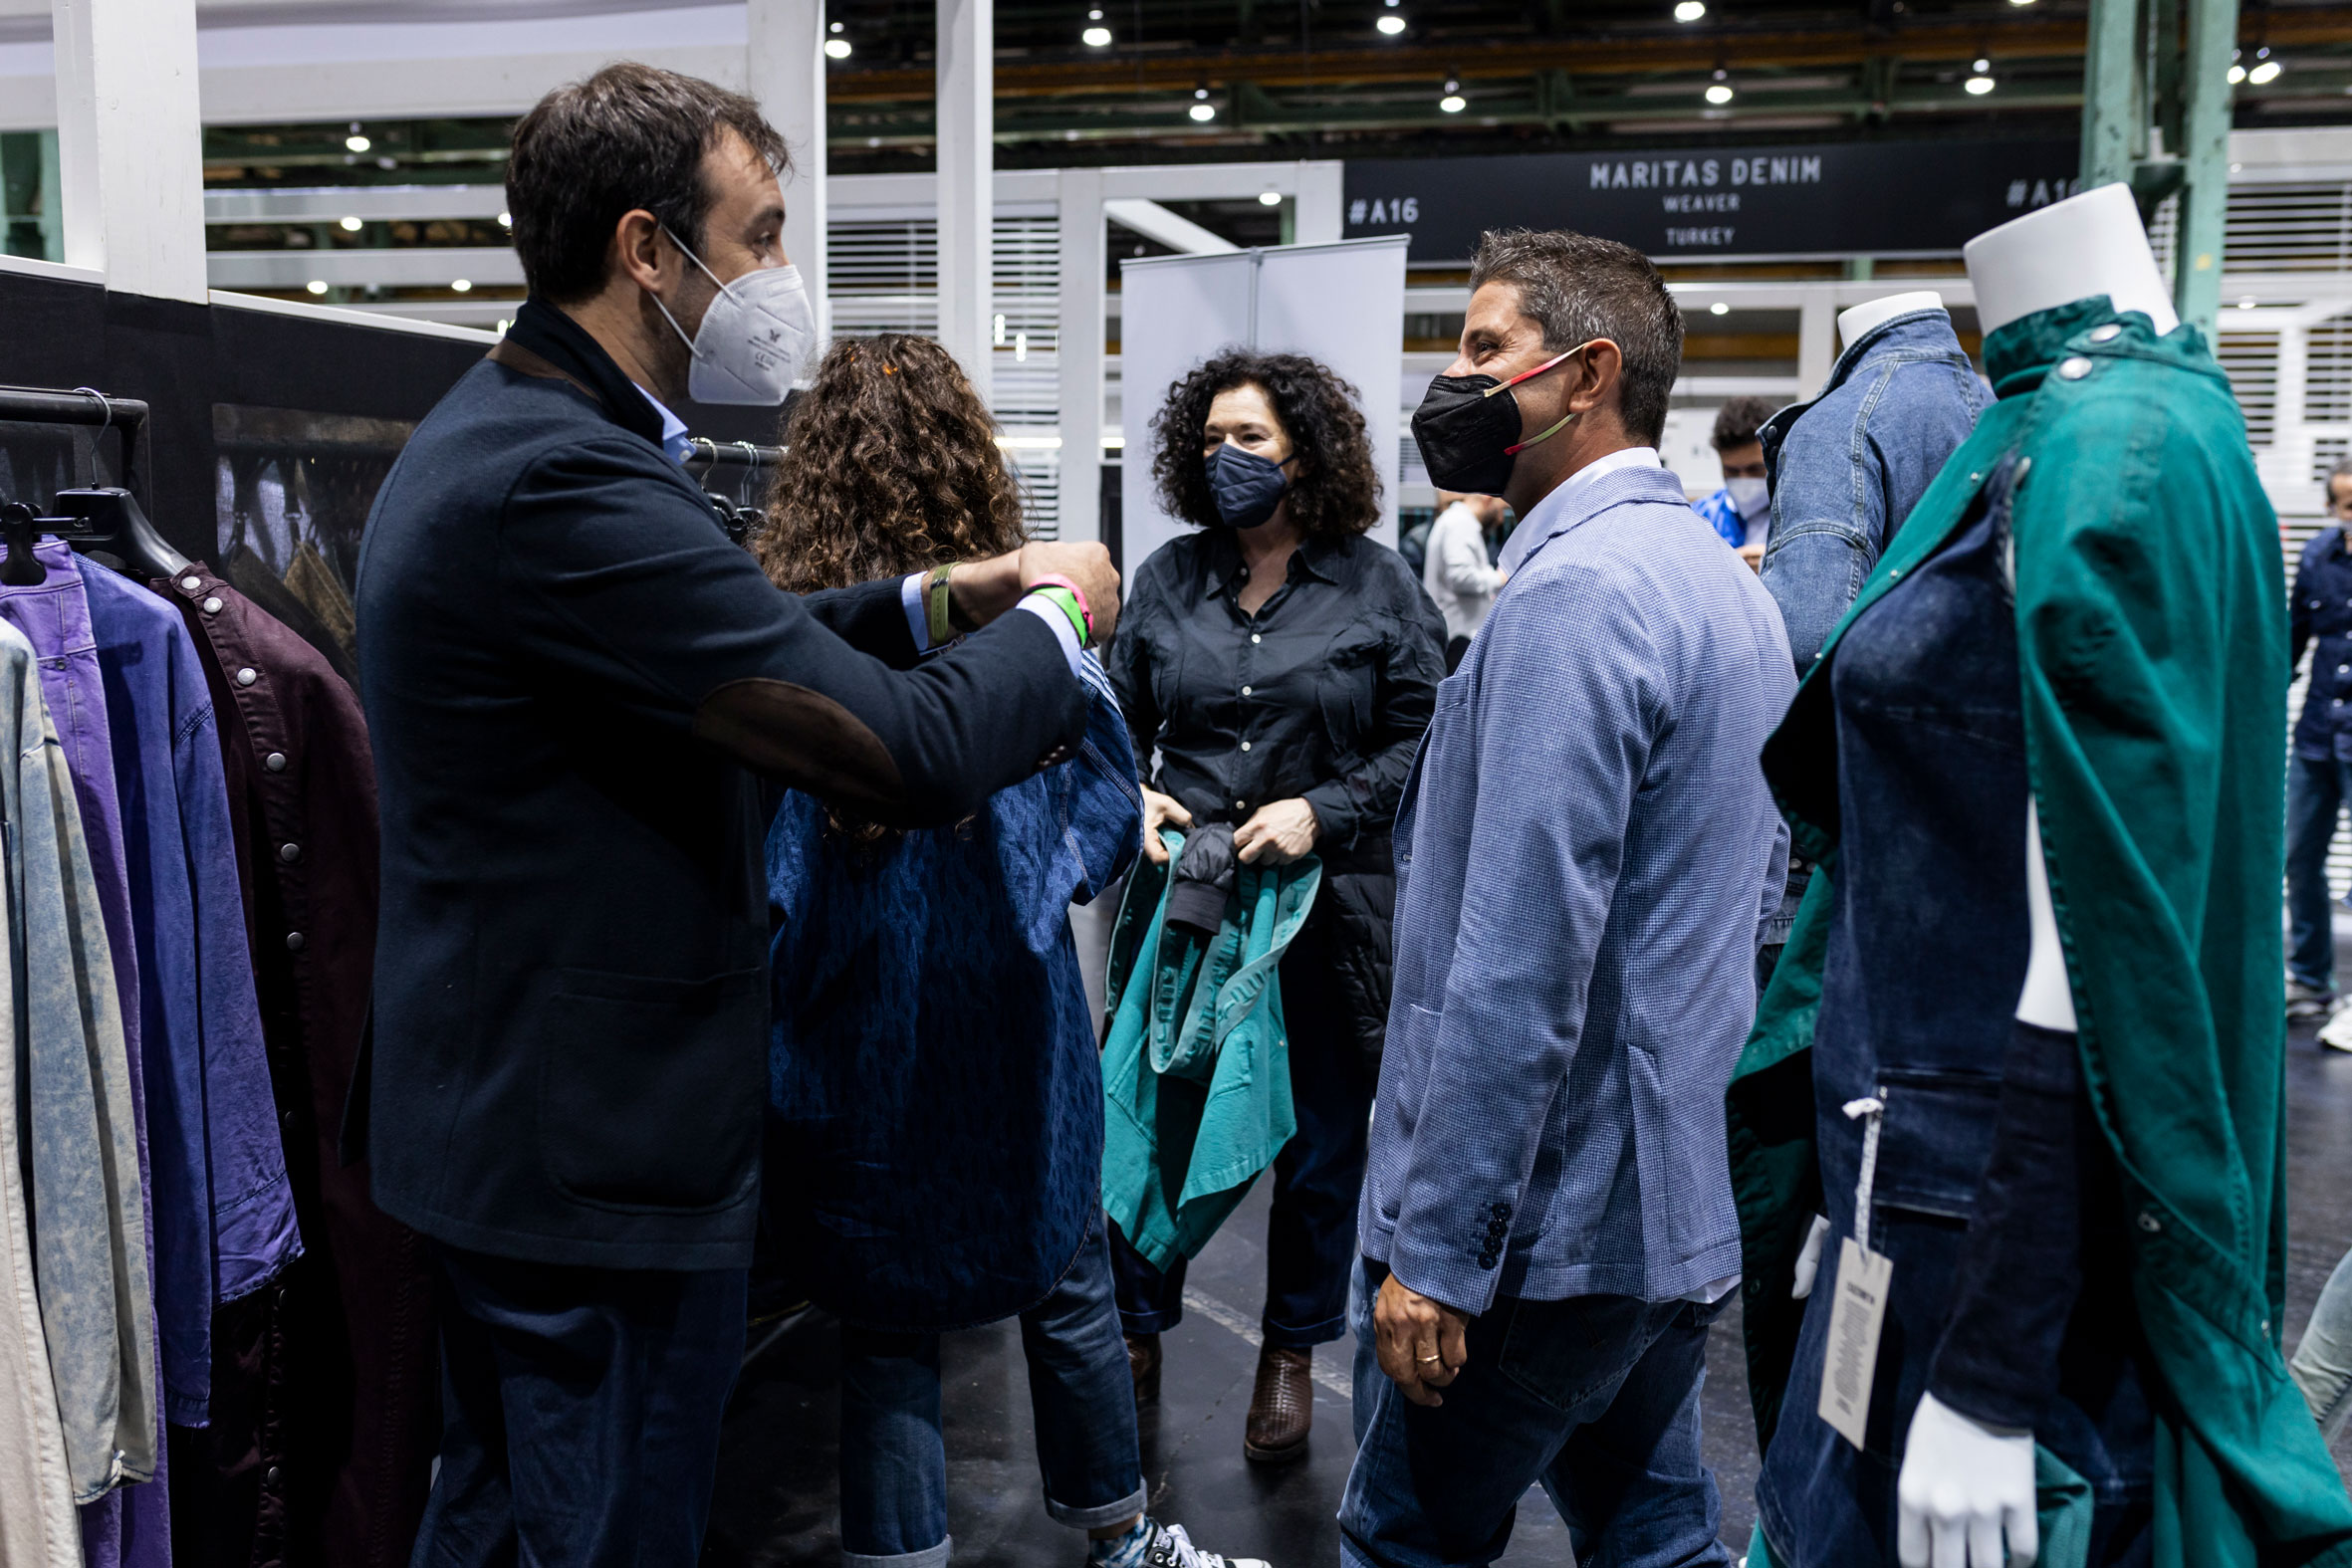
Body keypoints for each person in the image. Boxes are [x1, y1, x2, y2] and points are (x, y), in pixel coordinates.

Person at [353, 65, 1119, 1568]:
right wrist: (1059, 619)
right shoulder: (562, 483)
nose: (779, 274)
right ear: (647, 248)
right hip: (593, 1167)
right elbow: (900, 752)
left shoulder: (515, 434)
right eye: (758, 235)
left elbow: (723, 647)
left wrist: (933, 596)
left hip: (513, 1137)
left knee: (502, 1524)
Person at [753, 335, 1266, 1568]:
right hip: (1007, 1013)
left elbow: (761, 872)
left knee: (883, 1323)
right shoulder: (1025, 642)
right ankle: (1122, 1543)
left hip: (848, 1027)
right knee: (1066, 1273)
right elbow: (1094, 833)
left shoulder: (784, 640)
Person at [1342, 229, 1792, 1568]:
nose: (1453, 379)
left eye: (1485, 347)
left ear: (1586, 373)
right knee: (1654, 1530)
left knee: (1402, 1537)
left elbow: (1518, 958)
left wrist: (1439, 1246)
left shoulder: (1578, 595)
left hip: (1542, 1234)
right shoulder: (1716, 580)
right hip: (1663, 1203)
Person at [1105, 347, 1444, 1465]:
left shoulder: (1377, 584)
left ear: (1306, 452)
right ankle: (1136, 1323)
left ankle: (1290, 1349)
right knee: (1157, 1109)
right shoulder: (1168, 577)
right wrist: (1131, 789)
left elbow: (1425, 738)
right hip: (1191, 897)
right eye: (1210, 440)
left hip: (1324, 906)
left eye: (1249, 438)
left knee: (1317, 1143)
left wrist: (1321, 810)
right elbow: (1113, 717)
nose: (1226, 458)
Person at [2287, 458, 2352, 1021]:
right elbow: (2293, 641)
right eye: (2349, 505)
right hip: (2316, 738)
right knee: (2298, 855)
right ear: (2333, 508)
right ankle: (2310, 980)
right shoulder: (2316, 557)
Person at [1422, 489, 1509, 672]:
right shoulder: (1460, 523)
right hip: (1458, 636)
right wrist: (1499, 578)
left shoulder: (1455, 521)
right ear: (1488, 499)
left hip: (1456, 634)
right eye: (1500, 510)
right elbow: (1460, 576)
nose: (1500, 519)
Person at [1692, 393, 1778, 570]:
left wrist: (1777, 563)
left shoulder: (1797, 517)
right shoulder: (1700, 517)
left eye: (1755, 469)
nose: (1743, 479)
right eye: (1731, 471)